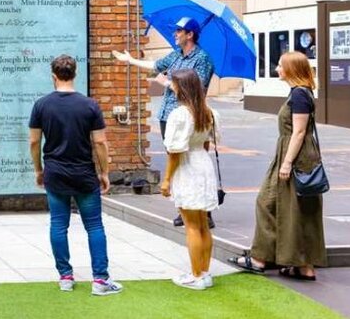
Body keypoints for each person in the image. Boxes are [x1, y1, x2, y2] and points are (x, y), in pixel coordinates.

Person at [28, 55, 123, 296]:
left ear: (53, 76)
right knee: (94, 226)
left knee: (58, 225)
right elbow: (100, 143)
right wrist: (104, 172)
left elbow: (34, 141)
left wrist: (39, 170)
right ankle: (100, 280)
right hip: (84, 174)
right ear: (75, 74)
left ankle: (66, 277)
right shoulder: (89, 105)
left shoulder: (41, 105)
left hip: (55, 173)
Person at [229, 51, 326, 280]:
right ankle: (303, 267)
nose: (277, 69)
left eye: (281, 66)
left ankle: (260, 259)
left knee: (268, 201)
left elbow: (300, 132)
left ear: (291, 69)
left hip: (295, 155)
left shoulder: (300, 95)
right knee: (297, 209)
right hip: (295, 154)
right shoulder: (299, 93)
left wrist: (287, 162)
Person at [113, 16, 215, 227]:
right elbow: (155, 64)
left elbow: (196, 86)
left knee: (188, 160)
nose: (175, 34)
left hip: (188, 115)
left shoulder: (202, 59)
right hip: (168, 114)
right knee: (175, 160)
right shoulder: (176, 55)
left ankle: (203, 211)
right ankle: (183, 205)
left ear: (190, 34)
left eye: (179, 31)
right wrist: (130, 60)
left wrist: (167, 82)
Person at [160, 68, 219, 290]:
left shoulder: (180, 115)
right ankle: (204, 272)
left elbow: (174, 152)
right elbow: (206, 143)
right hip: (203, 164)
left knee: (191, 226)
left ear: (181, 87)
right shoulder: (207, 112)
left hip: (187, 167)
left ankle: (196, 275)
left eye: (174, 83)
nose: (172, 86)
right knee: (203, 224)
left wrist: (166, 180)